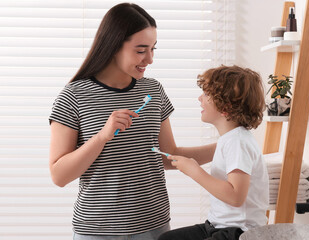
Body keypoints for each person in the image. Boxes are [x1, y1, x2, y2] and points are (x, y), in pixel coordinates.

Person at [48, 3, 215, 240]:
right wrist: (102, 136)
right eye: (140, 50)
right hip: (98, 231)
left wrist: (226, 147)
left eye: (153, 49)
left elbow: (169, 155)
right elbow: (59, 175)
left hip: (155, 226)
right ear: (114, 45)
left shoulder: (153, 90)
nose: (149, 59)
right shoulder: (74, 96)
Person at [158, 65, 269, 240]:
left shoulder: (237, 142)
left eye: (207, 94)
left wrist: (194, 171)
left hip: (238, 232)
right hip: (217, 225)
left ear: (225, 107)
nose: (199, 98)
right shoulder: (230, 139)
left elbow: (235, 197)